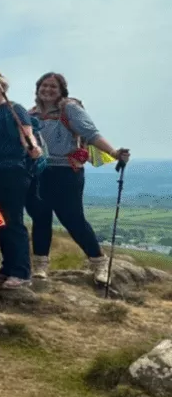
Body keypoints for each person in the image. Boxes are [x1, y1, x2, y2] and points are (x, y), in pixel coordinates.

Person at [27, 72, 131, 284]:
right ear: (37, 89)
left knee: (72, 219)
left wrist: (114, 152)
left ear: (61, 90)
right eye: (43, 86)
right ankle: (40, 266)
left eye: (53, 87)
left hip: (66, 171)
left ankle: (99, 263)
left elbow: (91, 134)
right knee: (41, 218)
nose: (47, 90)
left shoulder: (70, 109)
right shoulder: (31, 114)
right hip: (39, 171)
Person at [0, 69, 43, 289]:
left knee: (13, 221)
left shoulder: (13, 109)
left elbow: (27, 133)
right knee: (1, 221)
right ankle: (8, 267)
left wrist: (33, 147)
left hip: (12, 171)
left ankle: (21, 272)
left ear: (2, 88)